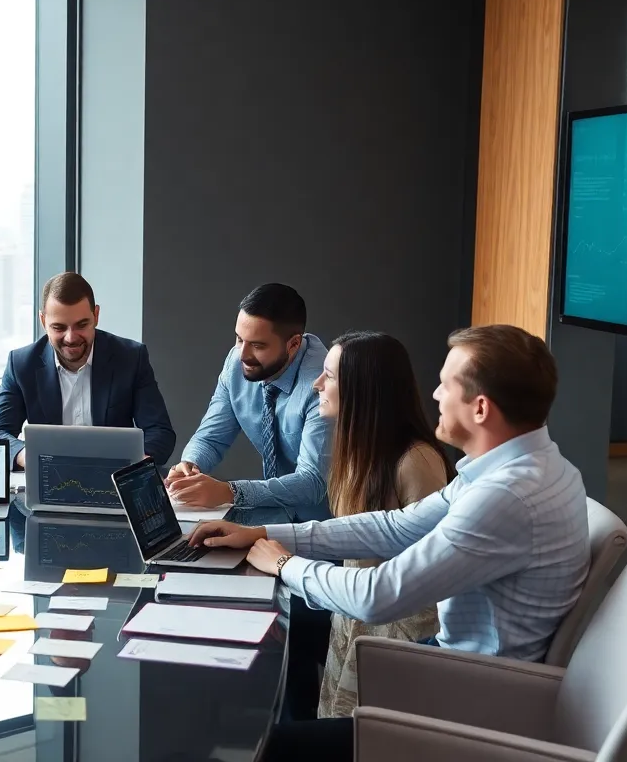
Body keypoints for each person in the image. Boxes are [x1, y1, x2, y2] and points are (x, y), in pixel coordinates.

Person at [193, 325, 589, 758]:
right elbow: (397, 525)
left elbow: (378, 595)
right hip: (458, 674)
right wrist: (265, 534)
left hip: (467, 705)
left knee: (258, 751)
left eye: (446, 385)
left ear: (480, 408)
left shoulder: (506, 497)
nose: (434, 394)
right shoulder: (524, 468)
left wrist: (286, 564)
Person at [309, 331, 451, 719]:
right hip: (359, 612)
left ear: (363, 390)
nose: (317, 384)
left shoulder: (415, 462)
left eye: (329, 376)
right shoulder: (360, 450)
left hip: (396, 630)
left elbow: (428, 572)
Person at [167, 283, 332, 525]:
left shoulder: (324, 385)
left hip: (327, 527)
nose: (242, 354)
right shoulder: (237, 362)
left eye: (257, 345)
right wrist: (190, 465)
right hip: (274, 519)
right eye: (239, 339)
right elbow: (210, 438)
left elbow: (312, 483)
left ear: (294, 344)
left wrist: (229, 492)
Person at [0, 272, 176, 468]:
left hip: (114, 478)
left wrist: (134, 465)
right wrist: (30, 457)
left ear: (96, 315)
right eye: (58, 327)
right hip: (50, 478)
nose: (71, 338)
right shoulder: (22, 364)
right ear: (43, 321)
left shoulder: (131, 357)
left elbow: (159, 432)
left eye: (81, 325)